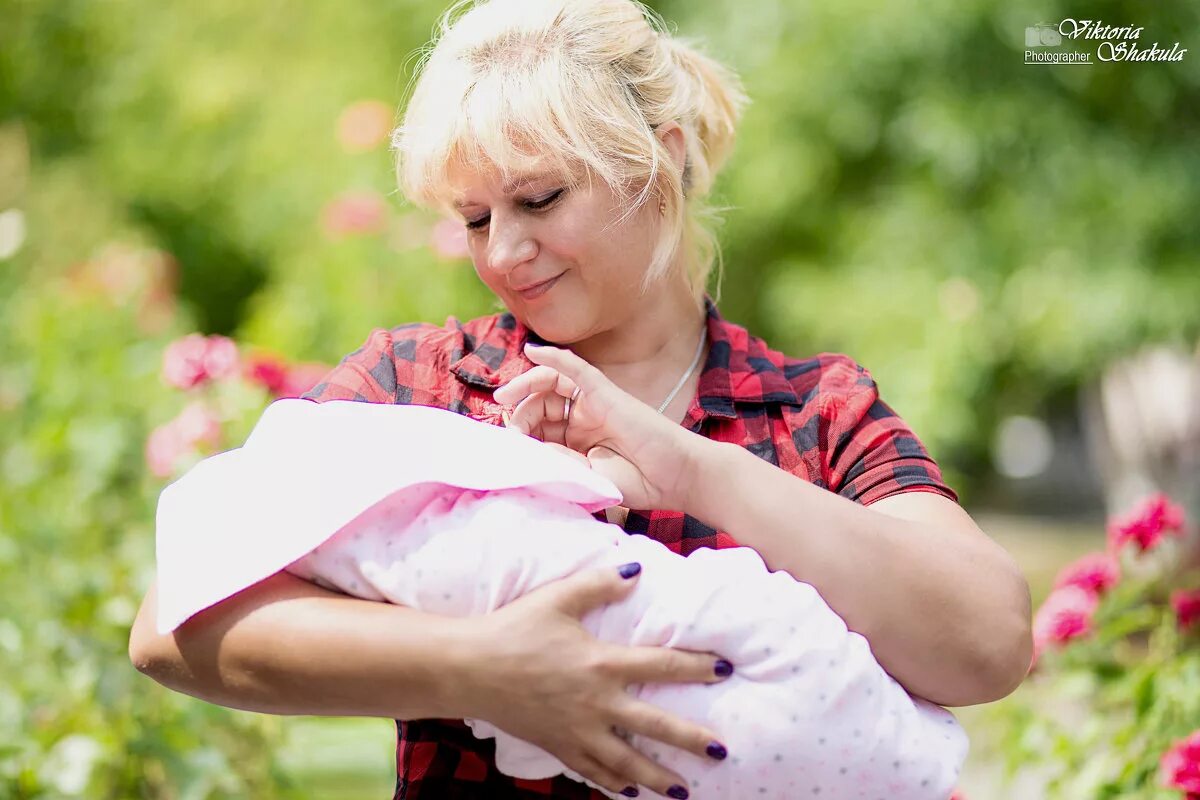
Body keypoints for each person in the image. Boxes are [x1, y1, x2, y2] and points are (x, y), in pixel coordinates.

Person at [128, 0, 1033, 798]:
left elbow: (988, 643)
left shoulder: (814, 412)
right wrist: (481, 671)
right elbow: (178, 618)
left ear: (663, 159)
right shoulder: (419, 387)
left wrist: (689, 468)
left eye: (539, 198)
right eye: (476, 219)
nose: (504, 253)